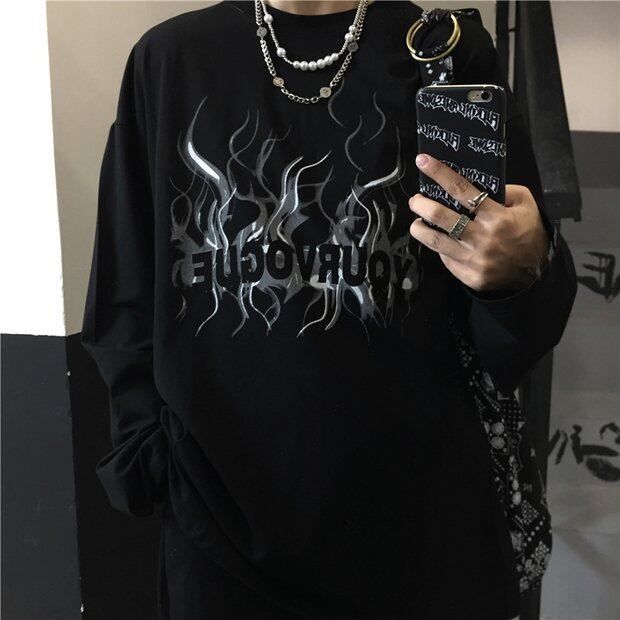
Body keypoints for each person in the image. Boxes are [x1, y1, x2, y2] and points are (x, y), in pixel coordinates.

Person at [81, 1, 577, 618]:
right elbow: (125, 285)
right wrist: (151, 458)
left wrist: (520, 267)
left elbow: (517, 332)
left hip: (421, 539)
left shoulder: (444, 52)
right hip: (219, 541)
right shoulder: (169, 60)